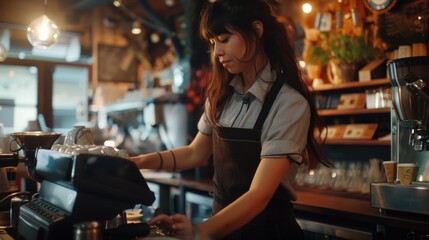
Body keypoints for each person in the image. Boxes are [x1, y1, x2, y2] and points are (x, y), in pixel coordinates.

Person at [129, 0, 330, 239]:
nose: (217, 52)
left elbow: (259, 195)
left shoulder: (289, 104)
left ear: (256, 31)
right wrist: (138, 162)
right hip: (224, 231)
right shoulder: (221, 96)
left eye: (224, 40)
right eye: (213, 43)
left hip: (268, 232)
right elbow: (195, 153)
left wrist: (199, 231)